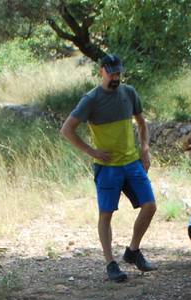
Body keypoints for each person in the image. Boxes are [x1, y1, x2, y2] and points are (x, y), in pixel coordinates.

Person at [60, 54, 157, 283]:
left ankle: (132, 251)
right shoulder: (91, 99)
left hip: (132, 162)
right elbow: (67, 130)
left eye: (118, 73)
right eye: (111, 73)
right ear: (101, 71)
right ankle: (110, 263)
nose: (115, 77)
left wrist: (145, 149)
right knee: (106, 214)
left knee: (150, 206)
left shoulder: (129, 93)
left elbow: (142, 123)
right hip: (107, 167)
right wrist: (92, 152)